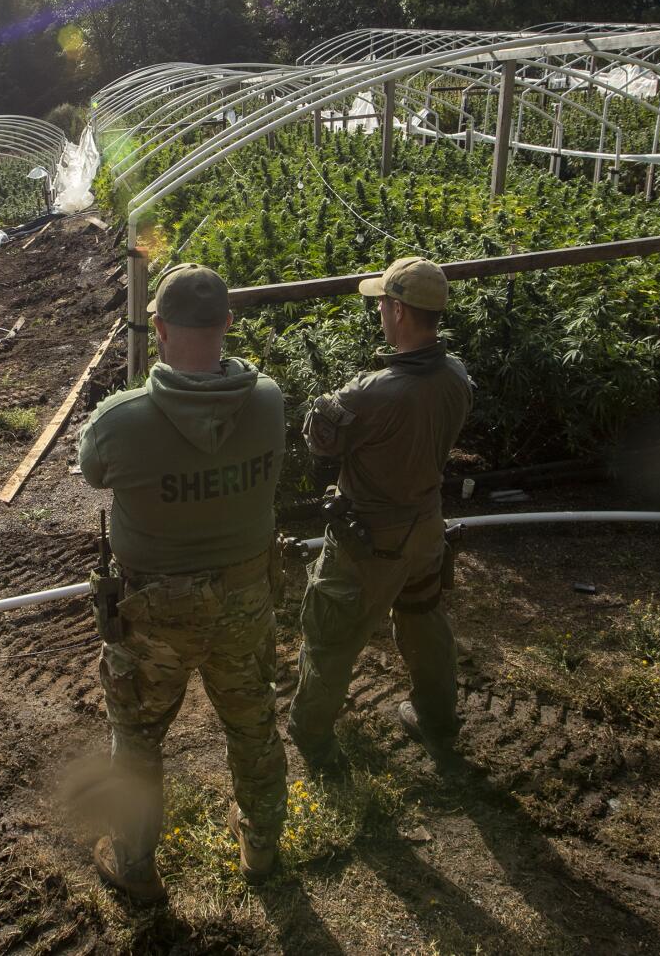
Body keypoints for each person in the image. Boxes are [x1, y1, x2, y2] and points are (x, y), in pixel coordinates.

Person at [77, 262, 288, 900]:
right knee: (252, 723)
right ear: (227, 323)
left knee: (137, 737)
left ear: (159, 329)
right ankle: (262, 848)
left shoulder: (123, 418)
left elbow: (92, 473)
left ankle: (135, 865)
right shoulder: (270, 399)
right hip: (247, 594)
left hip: (155, 607)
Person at [288, 256, 473, 771]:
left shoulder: (372, 393)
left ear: (396, 310)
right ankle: (436, 720)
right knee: (422, 619)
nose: (379, 314)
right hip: (426, 528)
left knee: (329, 637)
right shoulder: (455, 376)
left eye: (382, 306)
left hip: (369, 540)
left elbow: (320, 442)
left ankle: (312, 737)